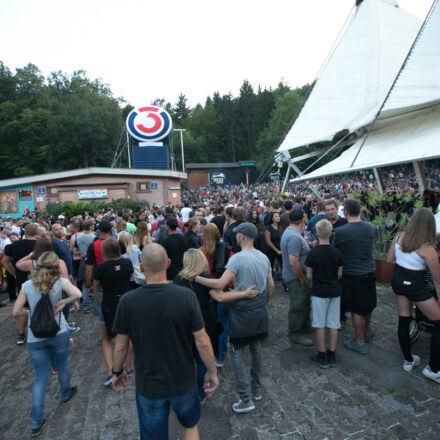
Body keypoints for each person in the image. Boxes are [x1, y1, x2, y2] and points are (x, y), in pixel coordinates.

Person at [111, 243, 219, 439]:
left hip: (150, 384)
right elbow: (202, 341)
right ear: (168, 264)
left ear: (141, 267)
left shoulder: (128, 301)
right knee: (190, 426)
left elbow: (120, 346)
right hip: (183, 380)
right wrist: (212, 371)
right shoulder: (186, 296)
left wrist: (117, 372)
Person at [193, 222, 274, 413]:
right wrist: (265, 303)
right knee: (256, 348)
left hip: (242, 310)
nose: (235, 237)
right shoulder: (263, 257)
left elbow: (221, 283)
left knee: (236, 352)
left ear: (242, 237)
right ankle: (256, 390)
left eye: (237, 235)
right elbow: (270, 286)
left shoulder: (237, 258)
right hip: (259, 308)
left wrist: (196, 278)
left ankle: (245, 398)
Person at [12, 251, 81, 437]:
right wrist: (65, 302)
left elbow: (16, 311)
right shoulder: (59, 282)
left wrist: (33, 313)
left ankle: (36, 421)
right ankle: (66, 393)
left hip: (36, 337)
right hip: (59, 331)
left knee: (40, 377)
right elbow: (78, 293)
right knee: (62, 363)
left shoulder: (27, 285)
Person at [174, 248, 257, 402]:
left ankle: (181, 389)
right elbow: (220, 296)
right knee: (201, 359)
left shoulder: (178, 278)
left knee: (185, 358)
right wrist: (244, 294)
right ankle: (200, 391)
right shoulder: (205, 279)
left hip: (180, 324)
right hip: (202, 322)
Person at [387, 208, 440, 382]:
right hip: (414, 284)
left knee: (404, 319)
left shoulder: (398, 237)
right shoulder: (427, 248)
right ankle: (433, 368)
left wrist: (405, 262)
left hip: (398, 280)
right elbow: (437, 279)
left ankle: (408, 360)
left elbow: (389, 259)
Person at [333, 199, 376, 355]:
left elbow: (336, 252)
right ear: (359, 210)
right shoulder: (371, 228)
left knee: (356, 309)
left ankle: (359, 342)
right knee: (368, 304)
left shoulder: (341, 232)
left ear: (345, 212)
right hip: (369, 271)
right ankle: (367, 330)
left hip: (351, 273)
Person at [93, 238, 133, 386]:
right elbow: (129, 278)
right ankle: (128, 367)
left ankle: (111, 371)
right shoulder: (127, 263)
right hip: (125, 299)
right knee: (128, 335)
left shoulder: (101, 268)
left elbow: (96, 287)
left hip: (108, 301)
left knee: (106, 338)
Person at [306, 219, 343, 368]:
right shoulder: (337, 253)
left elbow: (309, 275)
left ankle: (322, 354)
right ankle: (332, 353)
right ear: (331, 233)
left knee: (319, 324)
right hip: (334, 289)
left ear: (317, 234)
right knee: (334, 323)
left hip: (319, 290)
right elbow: (340, 273)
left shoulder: (313, 253)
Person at [280, 208, 312, 346]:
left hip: (297, 276)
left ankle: (305, 327)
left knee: (304, 303)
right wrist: (302, 278)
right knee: (298, 305)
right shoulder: (293, 236)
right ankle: (295, 334)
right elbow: (294, 262)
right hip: (295, 277)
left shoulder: (291, 233)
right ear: (302, 220)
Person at [2, 223, 38, 344]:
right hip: (39, 277)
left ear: (25, 233)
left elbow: (5, 262)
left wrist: (14, 273)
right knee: (41, 304)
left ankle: (21, 334)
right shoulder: (40, 245)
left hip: (22, 279)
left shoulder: (14, 245)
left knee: (24, 306)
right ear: (36, 233)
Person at [162, 216, 189, 280]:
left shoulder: (166, 241)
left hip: (171, 273)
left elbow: (164, 258)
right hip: (183, 271)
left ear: (168, 226)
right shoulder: (183, 238)